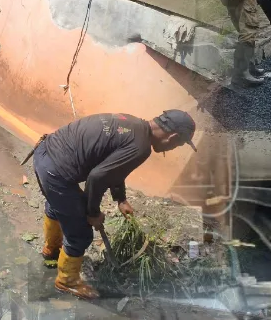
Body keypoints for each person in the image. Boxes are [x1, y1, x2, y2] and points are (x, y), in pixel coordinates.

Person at [34, 111, 197, 299]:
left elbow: (113, 167)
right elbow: (97, 178)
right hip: (56, 172)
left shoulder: (133, 123)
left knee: (59, 206)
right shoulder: (141, 147)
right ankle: (66, 281)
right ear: (173, 137)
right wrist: (92, 213)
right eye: (179, 144)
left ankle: (51, 249)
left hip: (43, 152)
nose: (174, 147)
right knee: (80, 233)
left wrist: (121, 199)